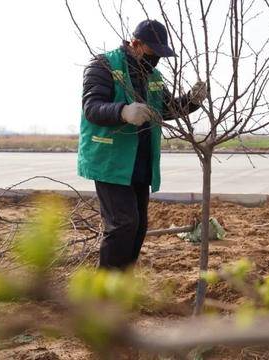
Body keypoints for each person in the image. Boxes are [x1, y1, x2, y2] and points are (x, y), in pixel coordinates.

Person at [78, 19, 207, 270]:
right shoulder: (103, 66)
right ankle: (103, 293)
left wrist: (192, 101)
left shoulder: (153, 76)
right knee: (123, 224)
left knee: (138, 226)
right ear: (135, 44)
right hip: (111, 161)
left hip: (140, 162)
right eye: (152, 53)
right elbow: (92, 107)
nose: (156, 60)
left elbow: (167, 109)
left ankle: (122, 283)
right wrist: (123, 111)